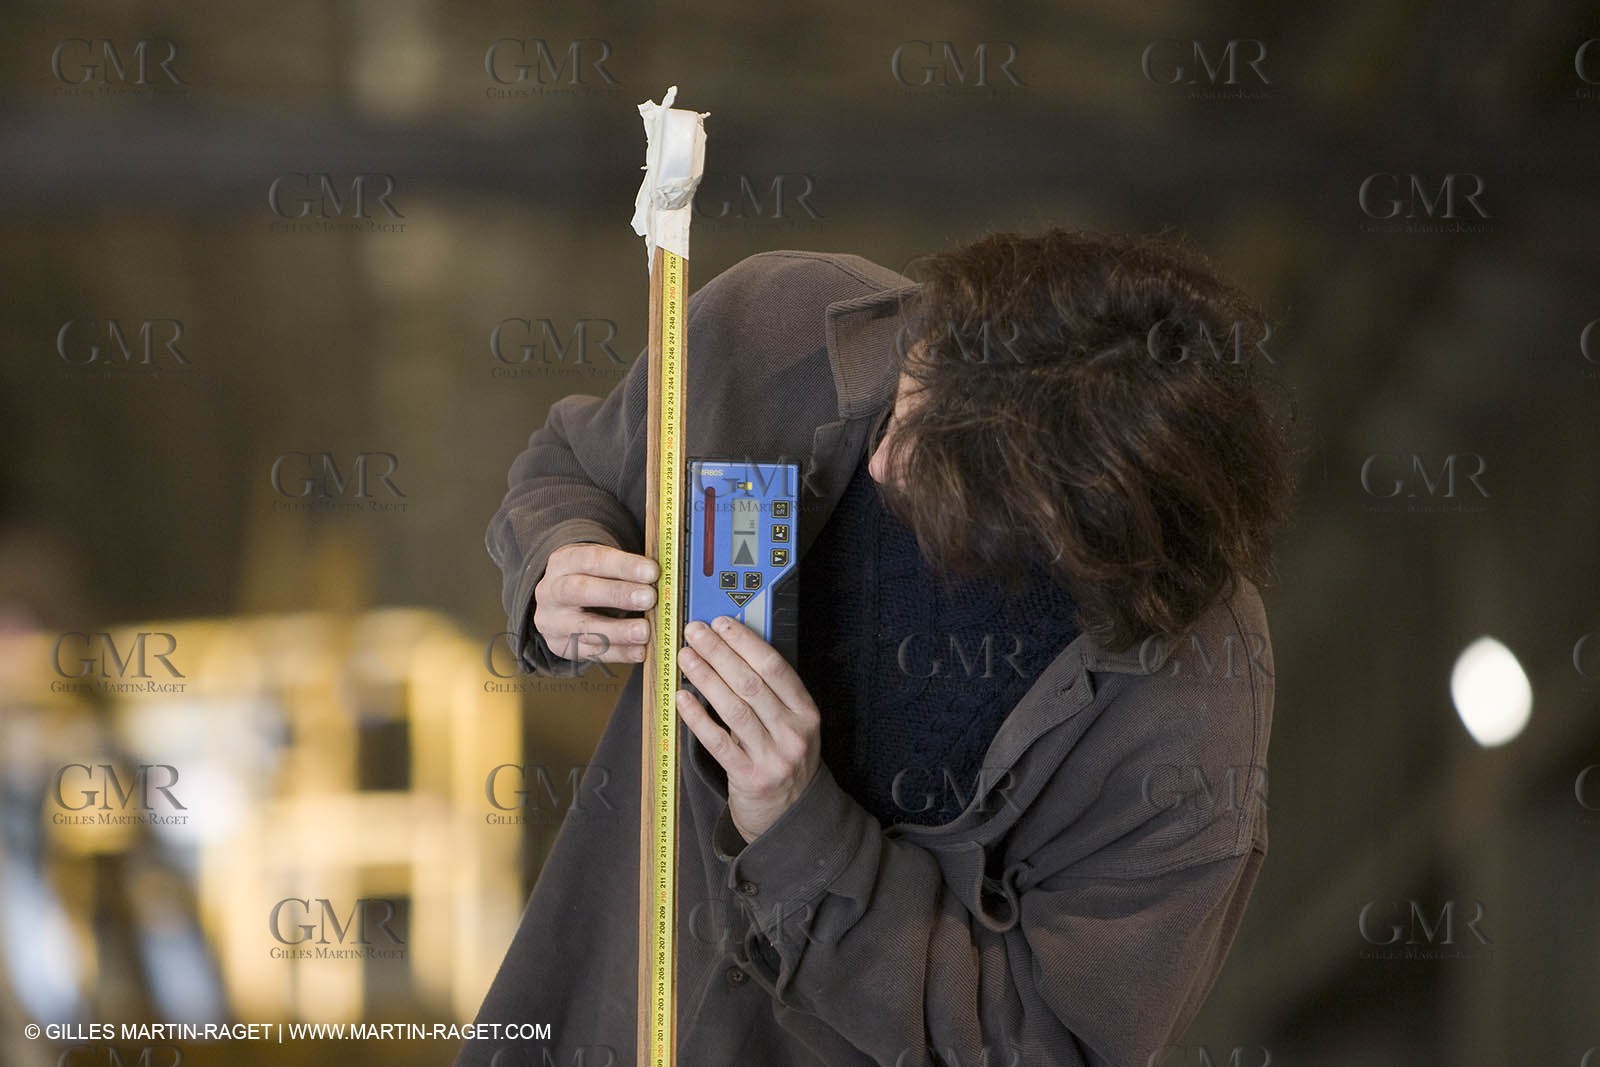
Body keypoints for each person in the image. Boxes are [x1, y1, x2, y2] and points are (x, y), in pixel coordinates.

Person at [458, 229, 1296, 1067]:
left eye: (944, 460)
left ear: (1066, 518)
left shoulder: (1192, 709)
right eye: (910, 390)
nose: (887, 459)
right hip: (589, 1013)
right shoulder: (777, 324)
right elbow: (569, 463)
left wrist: (799, 831)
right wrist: (559, 558)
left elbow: (1048, 1046)